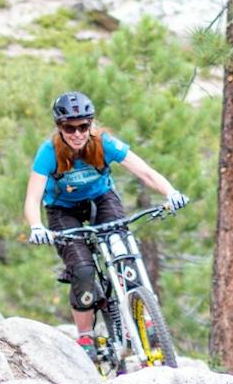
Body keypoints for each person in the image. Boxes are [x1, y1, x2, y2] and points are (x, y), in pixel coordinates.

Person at [23, 91, 187, 360]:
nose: (77, 133)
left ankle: (143, 313)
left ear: (91, 124)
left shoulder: (103, 143)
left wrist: (171, 193)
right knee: (83, 271)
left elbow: (144, 171)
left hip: (101, 199)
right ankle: (86, 336)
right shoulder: (49, 152)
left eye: (83, 126)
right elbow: (32, 198)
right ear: (59, 128)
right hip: (63, 210)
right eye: (69, 128)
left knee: (123, 249)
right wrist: (36, 226)